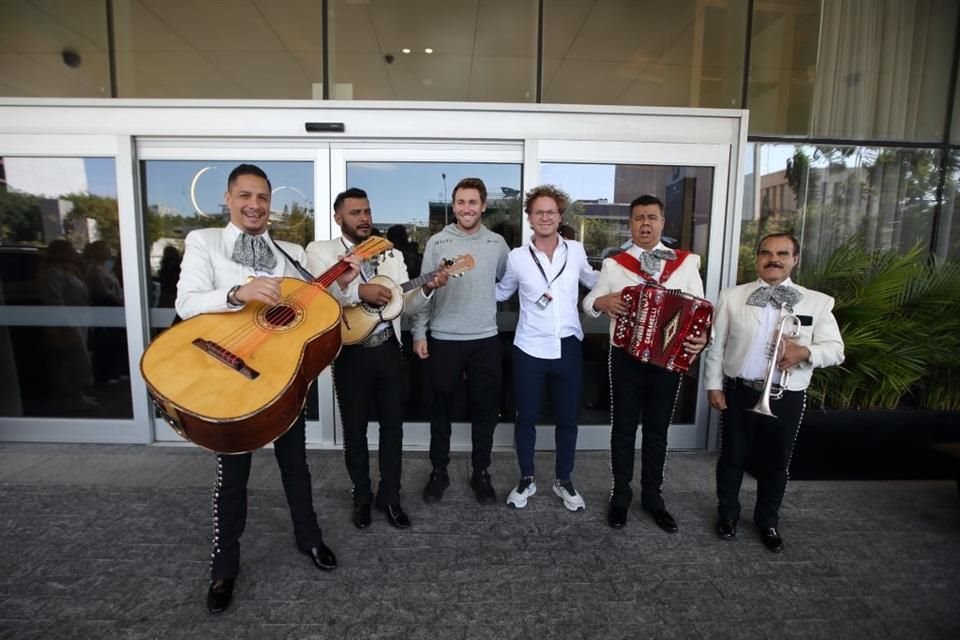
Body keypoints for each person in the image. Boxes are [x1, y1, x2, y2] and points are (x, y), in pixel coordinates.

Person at [175, 164, 345, 615]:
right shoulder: (204, 242)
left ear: (271, 204)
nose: (254, 205)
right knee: (232, 478)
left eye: (263, 198)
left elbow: (314, 307)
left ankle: (309, 538)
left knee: (297, 466)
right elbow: (187, 303)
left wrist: (342, 282)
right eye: (245, 196)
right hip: (229, 375)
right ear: (228, 200)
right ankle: (224, 566)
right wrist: (237, 293)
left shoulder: (289, 251)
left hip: (280, 375)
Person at [305, 188, 447, 531]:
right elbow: (317, 296)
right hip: (350, 352)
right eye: (355, 212)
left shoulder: (391, 254)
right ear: (338, 217)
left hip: (388, 352)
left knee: (393, 430)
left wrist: (427, 288)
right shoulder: (320, 251)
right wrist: (356, 291)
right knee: (354, 432)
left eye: (367, 210)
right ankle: (362, 496)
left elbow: (403, 304)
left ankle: (391, 496)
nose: (364, 217)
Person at [703, 233, 844, 552]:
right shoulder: (732, 296)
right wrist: (713, 384)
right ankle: (727, 515)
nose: (773, 259)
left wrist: (805, 352)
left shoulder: (817, 302)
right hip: (739, 390)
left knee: (776, 463)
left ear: (795, 259)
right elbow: (716, 345)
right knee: (732, 459)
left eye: (782, 253)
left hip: (787, 395)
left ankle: (767, 521)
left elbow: (836, 350)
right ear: (757, 259)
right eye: (766, 253)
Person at [583, 194, 708, 531]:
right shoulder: (615, 263)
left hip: (667, 361)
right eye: (639, 218)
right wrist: (603, 301)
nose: (645, 224)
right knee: (622, 430)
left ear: (662, 222)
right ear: (631, 223)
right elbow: (589, 303)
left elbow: (700, 311)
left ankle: (653, 497)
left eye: (651, 217)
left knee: (657, 432)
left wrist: (702, 338)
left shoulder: (685, 263)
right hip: (624, 358)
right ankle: (620, 495)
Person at [495, 185, 598, 511]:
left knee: (568, 419)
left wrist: (619, 277)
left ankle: (563, 480)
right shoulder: (517, 258)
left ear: (559, 216)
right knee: (526, 418)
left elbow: (593, 281)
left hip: (568, 346)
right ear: (529, 217)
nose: (544, 217)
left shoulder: (577, 251)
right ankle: (526, 479)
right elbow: (501, 293)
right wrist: (467, 285)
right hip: (528, 348)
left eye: (550, 212)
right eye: (538, 212)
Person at [412, 177, 510, 504]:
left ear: (483, 206)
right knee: (440, 411)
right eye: (461, 202)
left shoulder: (497, 243)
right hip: (444, 339)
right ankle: (439, 471)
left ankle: (481, 471)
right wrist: (419, 332)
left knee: (485, 410)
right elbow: (422, 293)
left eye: (472, 202)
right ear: (454, 206)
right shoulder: (437, 243)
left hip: (485, 339)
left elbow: (511, 281)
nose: (466, 208)